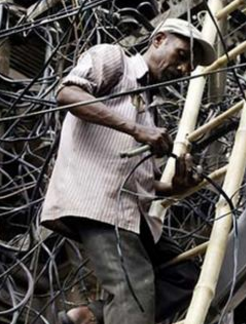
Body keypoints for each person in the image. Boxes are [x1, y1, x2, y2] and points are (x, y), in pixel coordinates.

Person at [40, 19, 216, 324]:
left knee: (184, 276)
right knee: (134, 291)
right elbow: (67, 94)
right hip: (100, 203)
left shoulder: (150, 107)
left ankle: (89, 317)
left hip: (133, 213)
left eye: (189, 65)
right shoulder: (114, 60)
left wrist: (175, 187)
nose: (184, 69)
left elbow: (139, 179)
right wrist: (135, 129)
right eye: (182, 55)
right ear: (159, 39)